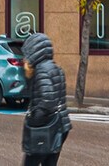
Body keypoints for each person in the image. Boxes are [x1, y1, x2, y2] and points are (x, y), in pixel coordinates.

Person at [20, 32, 71, 166]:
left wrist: (33, 121)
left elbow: (47, 102)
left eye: (26, 53)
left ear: (33, 51)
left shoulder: (41, 70)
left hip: (45, 128)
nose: (24, 58)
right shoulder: (56, 68)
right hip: (60, 126)